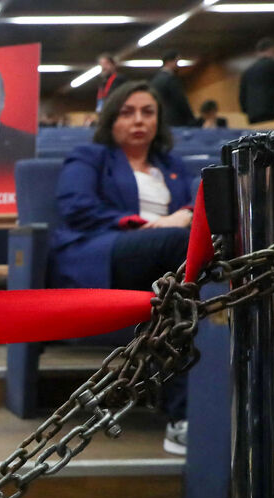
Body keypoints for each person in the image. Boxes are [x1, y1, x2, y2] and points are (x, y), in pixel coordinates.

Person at [50, 81, 194, 454]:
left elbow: (199, 206)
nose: (138, 120)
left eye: (148, 112)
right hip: (105, 252)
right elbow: (77, 207)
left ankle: (187, 413)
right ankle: (183, 414)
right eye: (127, 112)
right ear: (111, 119)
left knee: (184, 295)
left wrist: (184, 214)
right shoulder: (89, 156)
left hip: (170, 263)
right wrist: (145, 225)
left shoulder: (172, 167)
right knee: (183, 249)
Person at [239, 38, 274, 124]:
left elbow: (242, 96)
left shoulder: (247, 71)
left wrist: (247, 111)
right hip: (270, 111)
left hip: (252, 114)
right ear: (271, 50)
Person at [149, 50, 195, 127]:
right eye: (177, 62)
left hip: (160, 121)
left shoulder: (154, 81)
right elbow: (180, 100)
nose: (178, 66)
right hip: (176, 121)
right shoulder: (171, 79)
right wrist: (192, 119)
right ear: (169, 62)